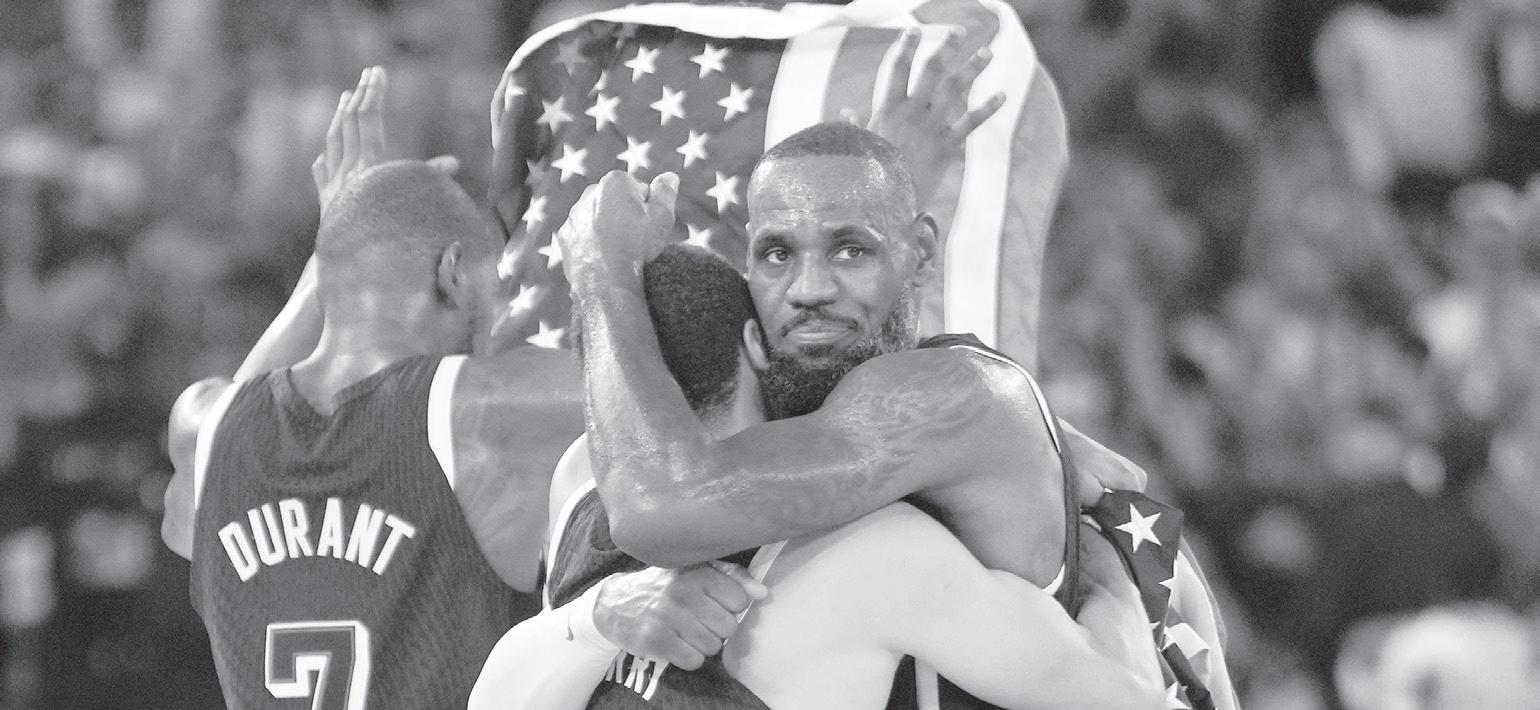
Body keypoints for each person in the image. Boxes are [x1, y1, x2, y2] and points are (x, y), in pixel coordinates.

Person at [555, 122, 1236, 709]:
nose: (809, 289)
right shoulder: (830, 411)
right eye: (778, 254)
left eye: (850, 249)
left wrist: (600, 272)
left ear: (921, 253)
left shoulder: (947, 395)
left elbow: (657, 510)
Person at [159, 68, 757, 709]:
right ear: (451, 272)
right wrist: (609, 269)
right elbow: (673, 400)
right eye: (493, 291)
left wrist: (327, 256)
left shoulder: (203, 427)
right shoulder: (485, 411)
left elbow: (217, 460)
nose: (497, 323)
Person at [470, 244, 1166, 709]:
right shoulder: (871, 551)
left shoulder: (578, 485)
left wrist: (596, 615)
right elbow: (1127, 697)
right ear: (754, 344)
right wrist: (1107, 560)